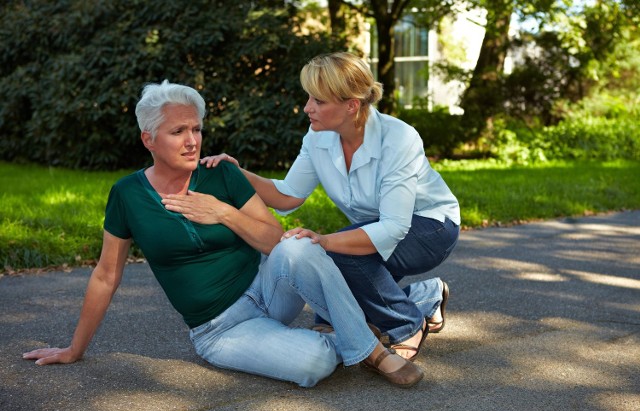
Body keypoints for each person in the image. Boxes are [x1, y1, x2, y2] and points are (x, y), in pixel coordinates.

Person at [22, 80, 424, 388]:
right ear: (148, 139)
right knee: (314, 365)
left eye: (196, 129)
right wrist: (75, 349)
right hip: (221, 329)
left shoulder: (221, 173)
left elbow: (274, 243)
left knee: (299, 248)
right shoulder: (127, 195)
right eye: (178, 131)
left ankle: (368, 349)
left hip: (267, 290)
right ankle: (381, 316)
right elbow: (107, 274)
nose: (192, 140)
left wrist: (224, 213)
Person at [201, 52, 461, 362]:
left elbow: (394, 227)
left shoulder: (399, 138)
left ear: (351, 105)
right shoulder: (318, 137)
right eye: (309, 98)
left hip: (431, 226)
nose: (307, 108)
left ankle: (406, 324)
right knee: (337, 259)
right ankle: (423, 296)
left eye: (318, 101)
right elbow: (288, 194)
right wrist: (238, 174)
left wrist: (325, 242)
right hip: (378, 226)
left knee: (335, 254)